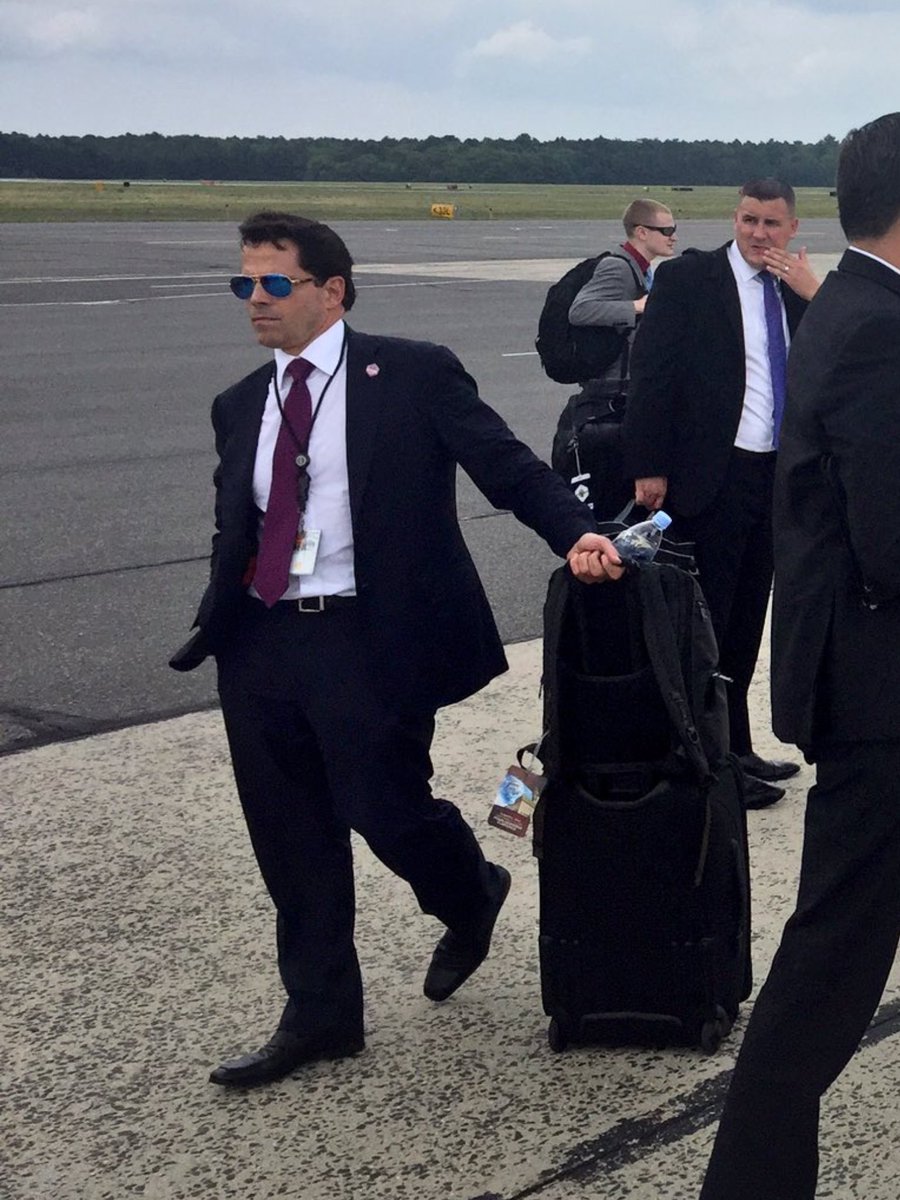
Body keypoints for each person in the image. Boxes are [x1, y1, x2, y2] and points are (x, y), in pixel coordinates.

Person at [169, 210, 622, 1088]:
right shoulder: (240, 404)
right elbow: (239, 523)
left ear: (332, 290)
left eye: (274, 282)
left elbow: (507, 466)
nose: (255, 298)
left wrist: (576, 534)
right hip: (260, 641)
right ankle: (321, 1016)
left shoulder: (411, 373)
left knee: (386, 809)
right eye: (243, 283)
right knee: (290, 835)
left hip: (368, 637)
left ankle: (470, 891)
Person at [699, 111, 900, 1199]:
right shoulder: (874, 326)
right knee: (830, 963)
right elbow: (891, 536)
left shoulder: (849, 304)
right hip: (884, 698)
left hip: (868, 681)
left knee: (835, 949)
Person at [622, 179, 820, 809]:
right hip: (713, 475)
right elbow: (652, 372)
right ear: (735, 219)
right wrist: (649, 464)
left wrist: (812, 295)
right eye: (749, 220)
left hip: (775, 474)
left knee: (748, 618)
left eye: (772, 223)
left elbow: (827, 362)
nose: (759, 233)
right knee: (708, 620)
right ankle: (708, 758)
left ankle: (737, 744)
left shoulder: (793, 289)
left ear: (793, 229)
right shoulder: (689, 279)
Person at [551, 200, 678, 518]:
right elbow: (581, 310)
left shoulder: (640, 268)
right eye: (667, 230)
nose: (673, 236)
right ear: (642, 232)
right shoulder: (618, 267)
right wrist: (637, 307)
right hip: (609, 390)